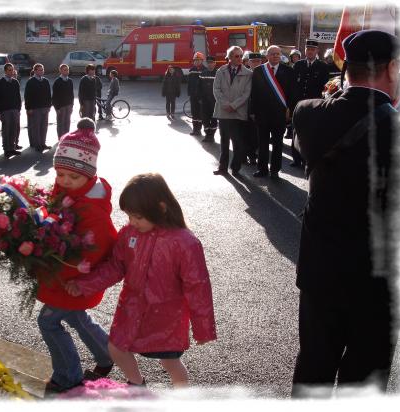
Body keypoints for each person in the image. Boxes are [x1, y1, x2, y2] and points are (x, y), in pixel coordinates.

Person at [291, 30, 400, 398]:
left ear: (345, 69)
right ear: (391, 68)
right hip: (379, 279)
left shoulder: (308, 114)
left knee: (313, 368)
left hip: (322, 270)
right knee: (365, 378)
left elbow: (321, 117)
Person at [65, 172, 217, 387]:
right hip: (132, 308)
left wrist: (203, 329)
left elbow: (197, 286)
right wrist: (85, 284)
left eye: (138, 217)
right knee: (116, 348)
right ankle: (136, 385)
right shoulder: (129, 234)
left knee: (170, 362)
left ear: (161, 208)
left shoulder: (185, 242)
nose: (132, 222)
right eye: (129, 216)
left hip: (165, 317)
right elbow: (116, 265)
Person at [35, 118, 117, 395]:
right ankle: (107, 355)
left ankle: (68, 375)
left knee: (48, 321)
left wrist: (78, 279)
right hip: (63, 274)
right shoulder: (66, 192)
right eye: (60, 175)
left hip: (73, 279)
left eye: (73, 177)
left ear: (89, 175)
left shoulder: (92, 209)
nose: (65, 182)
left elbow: (101, 248)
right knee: (76, 317)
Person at [250, 45, 297, 179]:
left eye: (277, 54)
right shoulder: (259, 71)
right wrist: (252, 111)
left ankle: (275, 170)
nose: (275, 56)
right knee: (263, 143)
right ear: (267, 56)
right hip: (262, 114)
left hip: (280, 114)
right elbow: (254, 93)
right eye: (272, 54)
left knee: (277, 143)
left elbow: (293, 93)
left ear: (280, 55)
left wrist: (290, 109)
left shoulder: (288, 71)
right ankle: (262, 169)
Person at [212, 46, 253, 176]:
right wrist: (225, 104)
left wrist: (233, 106)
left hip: (238, 113)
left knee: (238, 142)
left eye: (241, 56)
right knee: (224, 141)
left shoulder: (248, 73)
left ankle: (235, 167)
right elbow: (216, 89)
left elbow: (246, 94)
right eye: (237, 56)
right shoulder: (221, 71)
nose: (240, 58)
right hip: (223, 112)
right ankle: (222, 168)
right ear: (229, 58)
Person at [290, 40, 330, 168]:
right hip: (298, 103)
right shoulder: (298, 65)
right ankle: (296, 159)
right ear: (305, 50)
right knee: (296, 131)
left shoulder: (323, 66)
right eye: (308, 49)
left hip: (314, 104)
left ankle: (308, 158)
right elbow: (293, 86)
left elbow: (325, 87)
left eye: (312, 49)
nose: (310, 51)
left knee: (311, 133)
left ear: (317, 51)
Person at [0, 63, 22, 158]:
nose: (11, 71)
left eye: (12, 70)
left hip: (15, 110)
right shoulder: (0, 83)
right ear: (5, 71)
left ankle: (12, 148)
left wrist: (18, 109)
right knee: (6, 131)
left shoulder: (15, 82)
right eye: (9, 70)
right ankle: (6, 149)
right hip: (5, 111)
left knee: (14, 130)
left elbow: (18, 97)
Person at [24, 63, 52, 152]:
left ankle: (43, 143)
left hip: (45, 108)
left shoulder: (45, 81)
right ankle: (38, 144)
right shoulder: (30, 82)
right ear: (35, 71)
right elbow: (27, 96)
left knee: (44, 126)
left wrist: (49, 106)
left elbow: (48, 95)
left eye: (42, 70)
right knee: (36, 127)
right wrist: (29, 108)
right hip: (35, 109)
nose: (41, 71)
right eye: (39, 70)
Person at [244, 52, 263, 165]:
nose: (256, 63)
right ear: (249, 62)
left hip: (259, 110)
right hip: (244, 108)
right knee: (245, 133)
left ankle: (253, 155)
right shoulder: (244, 74)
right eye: (253, 61)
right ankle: (245, 155)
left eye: (258, 61)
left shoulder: (265, 74)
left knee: (256, 135)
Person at [198, 56, 218, 143]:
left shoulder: (218, 73)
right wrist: (199, 98)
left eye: (211, 62)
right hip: (204, 100)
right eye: (208, 63)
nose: (210, 64)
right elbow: (199, 86)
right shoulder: (203, 73)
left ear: (215, 63)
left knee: (214, 118)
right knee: (205, 118)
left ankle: (212, 135)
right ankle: (207, 134)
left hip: (215, 100)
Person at [52, 64, 74, 139]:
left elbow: (72, 94)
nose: (66, 71)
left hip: (68, 105)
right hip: (61, 106)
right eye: (64, 70)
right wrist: (57, 108)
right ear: (60, 71)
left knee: (67, 122)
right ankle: (60, 138)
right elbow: (54, 97)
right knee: (61, 123)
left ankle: (66, 137)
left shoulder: (70, 81)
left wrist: (72, 105)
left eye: (67, 70)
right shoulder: (57, 81)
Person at [188, 51, 206, 136]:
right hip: (193, 96)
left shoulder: (205, 70)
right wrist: (189, 93)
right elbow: (189, 83)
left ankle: (199, 129)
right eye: (195, 60)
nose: (196, 61)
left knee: (200, 113)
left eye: (198, 60)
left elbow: (206, 85)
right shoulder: (192, 70)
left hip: (201, 97)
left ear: (202, 61)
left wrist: (203, 96)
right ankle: (195, 129)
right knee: (194, 113)